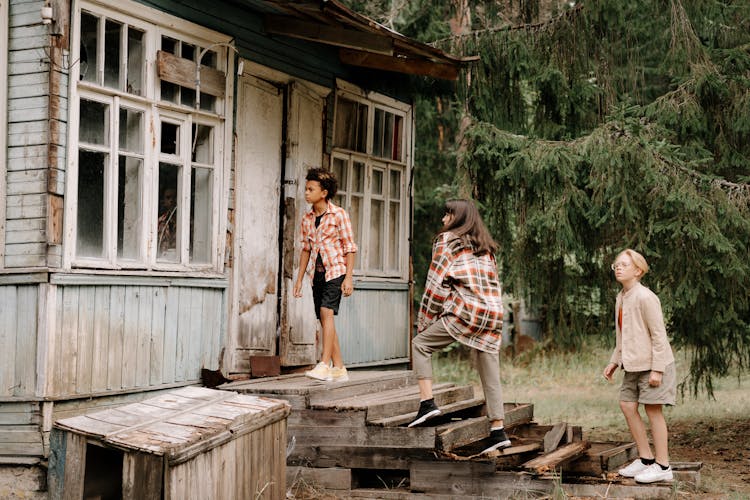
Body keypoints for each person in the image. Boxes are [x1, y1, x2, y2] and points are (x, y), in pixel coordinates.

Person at [409, 199, 510, 454]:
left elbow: (435, 284)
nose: (443, 220)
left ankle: (427, 404)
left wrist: (424, 321)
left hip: (466, 311)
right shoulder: (486, 248)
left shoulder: (447, 241)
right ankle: (498, 430)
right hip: (493, 313)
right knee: (489, 368)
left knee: (420, 344)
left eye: (447, 214)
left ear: (459, 218)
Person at [603, 249, 676, 484]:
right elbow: (623, 335)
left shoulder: (645, 297)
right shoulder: (621, 297)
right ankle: (645, 459)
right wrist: (615, 361)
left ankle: (663, 466)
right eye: (616, 265)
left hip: (654, 364)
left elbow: (659, 336)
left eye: (624, 264)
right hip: (632, 365)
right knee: (626, 405)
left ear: (638, 270)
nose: (619, 268)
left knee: (653, 410)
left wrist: (657, 369)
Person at [293, 168, 357, 382]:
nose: (306, 193)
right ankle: (339, 368)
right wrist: (299, 279)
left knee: (326, 312)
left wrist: (348, 277)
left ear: (324, 192)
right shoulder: (307, 218)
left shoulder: (339, 215)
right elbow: (306, 249)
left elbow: (349, 248)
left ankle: (324, 364)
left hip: (336, 271)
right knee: (324, 318)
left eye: (311, 189)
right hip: (317, 274)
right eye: (306, 189)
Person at [157, 187, 177, 258]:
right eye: (168, 198)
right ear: (164, 201)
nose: (171, 200)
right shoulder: (160, 221)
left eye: (175, 197)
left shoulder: (188, 222)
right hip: (162, 261)